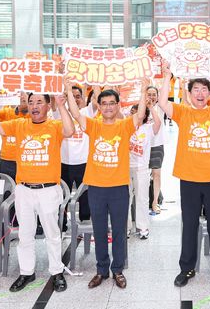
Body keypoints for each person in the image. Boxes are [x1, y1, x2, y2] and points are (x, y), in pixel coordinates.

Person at [0, 91, 75, 293]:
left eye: (39, 102)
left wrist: (62, 106)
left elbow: (70, 130)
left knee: (52, 233)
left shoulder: (55, 126)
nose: (34, 106)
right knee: (25, 234)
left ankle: (56, 272)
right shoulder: (19, 124)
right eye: (31, 102)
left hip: (48, 189)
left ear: (48, 106)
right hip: (24, 189)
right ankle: (26, 272)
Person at [158, 60, 210, 288]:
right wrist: (167, 76)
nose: (201, 93)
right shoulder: (183, 112)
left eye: (205, 89)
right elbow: (163, 101)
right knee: (190, 224)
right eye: (196, 89)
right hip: (190, 180)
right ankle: (187, 268)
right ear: (190, 93)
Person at [66, 78, 148, 289]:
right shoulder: (93, 125)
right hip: (96, 188)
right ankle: (102, 270)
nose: (109, 107)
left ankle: (118, 270)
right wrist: (67, 88)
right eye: (105, 103)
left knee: (119, 231)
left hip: (119, 187)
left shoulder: (124, 126)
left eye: (113, 103)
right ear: (99, 106)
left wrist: (144, 87)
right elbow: (76, 114)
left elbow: (140, 115)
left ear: (118, 105)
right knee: (99, 230)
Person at [60, 83, 95, 222]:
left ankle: (85, 222)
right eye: (71, 97)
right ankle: (62, 225)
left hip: (84, 163)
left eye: (78, 97)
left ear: (83, 98)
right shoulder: (60, 112)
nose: (75, 99)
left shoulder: (88, 112)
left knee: (85, 196)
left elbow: (96, 96)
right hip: (64, 163)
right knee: (63, 196)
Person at [128, 99, 161, 239]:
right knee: (125, 198)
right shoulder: (125, 126)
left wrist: (151, 107)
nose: (134, 115)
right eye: (133, 113)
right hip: (125, 168)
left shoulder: (148, 128)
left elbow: (158, 123)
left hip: (142, 168)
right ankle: (126, 228)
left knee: (142, 198)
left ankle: (143, 228)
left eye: (137, 113)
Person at [0, 91, 29, 181]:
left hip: (26, 160)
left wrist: (27, 98)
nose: (22, 98)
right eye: (20, 98)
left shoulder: (34, 115)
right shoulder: (7, 111)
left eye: (26, 99)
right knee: (7, 190)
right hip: (7, 159)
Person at [147, 85, 165, 214]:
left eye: (154, 94)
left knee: (156, 174)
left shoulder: (161, 107)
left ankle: (155, 202)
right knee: (141, 176)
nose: (151, 97)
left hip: (157, 145)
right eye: (149, 94)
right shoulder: (140, 108)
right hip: (141, 146)